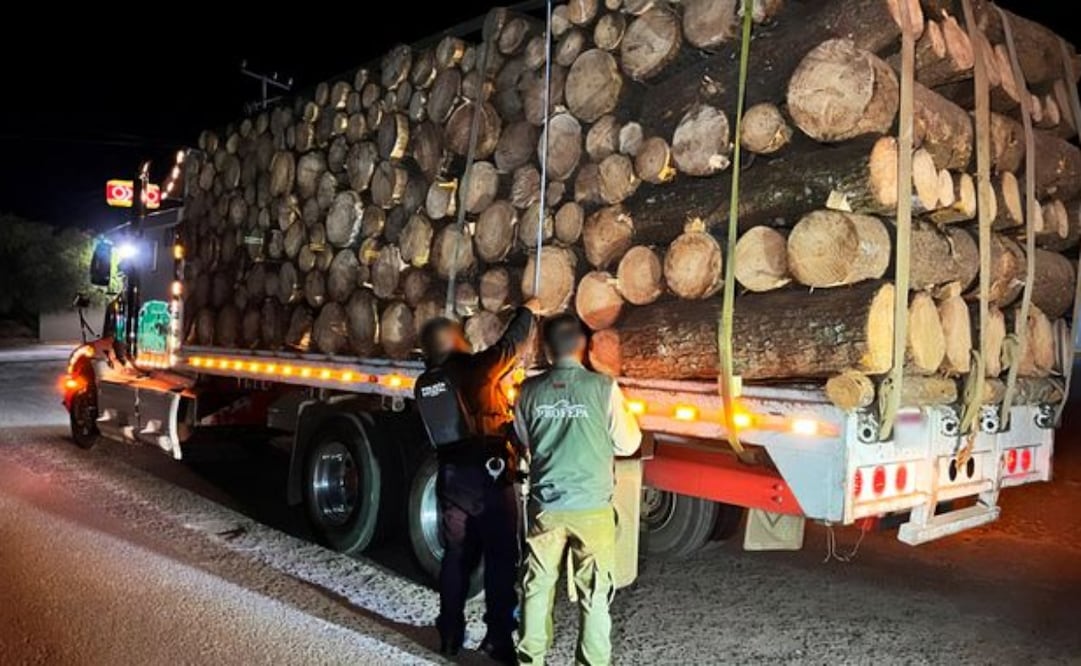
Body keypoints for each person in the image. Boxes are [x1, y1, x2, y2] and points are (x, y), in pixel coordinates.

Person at [513, 314, 642, 666]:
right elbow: (629, 444)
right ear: (583, 349)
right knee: (595, 594)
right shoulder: (604, 389)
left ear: (548, 350)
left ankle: (531, 659)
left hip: (546, 508)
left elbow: (525, 439)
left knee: (536, 587)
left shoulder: (528, 391)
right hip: (592, 509)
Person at [418, 299, 540, 662]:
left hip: (451, 477)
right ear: (454, 343)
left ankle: (450, 633)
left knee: (456, 557)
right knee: (501, 558)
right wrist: (527, 311)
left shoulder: (427, 382)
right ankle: (498, 639)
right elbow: (509, 348)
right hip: (488, 476)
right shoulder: (472, 370)